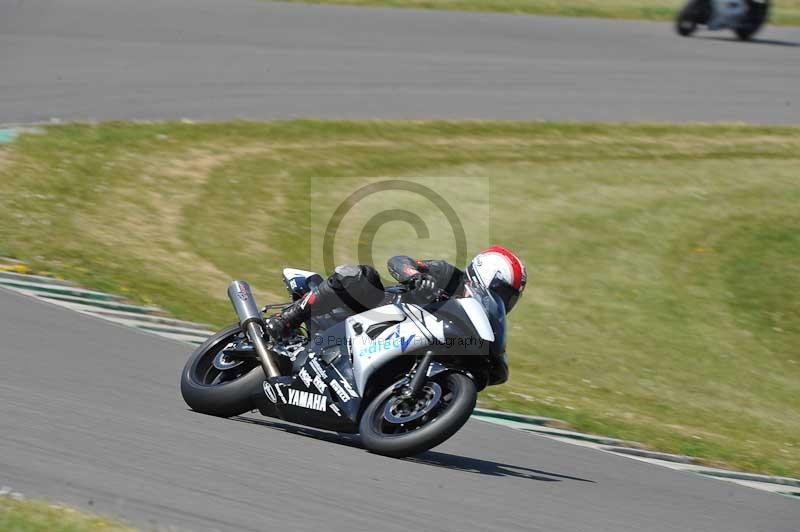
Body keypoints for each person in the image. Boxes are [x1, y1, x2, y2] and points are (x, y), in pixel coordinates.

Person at [265, 246, 526, 340]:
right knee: (360, 275)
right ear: (487, 274)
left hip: (400, 339)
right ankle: (288, 318)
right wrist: (415, 277)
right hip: (378, 310)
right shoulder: (448, 275)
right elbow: (398, 260)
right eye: (504, 292)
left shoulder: (476, 319)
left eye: (510, 297)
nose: (504, 300)